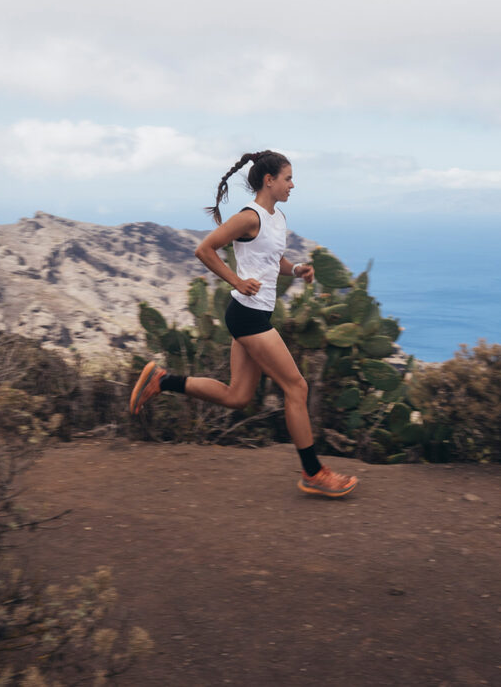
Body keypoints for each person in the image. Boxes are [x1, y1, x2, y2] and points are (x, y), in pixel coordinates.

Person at [129, 150, 358, 498]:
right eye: (288, 178)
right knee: (297, 388)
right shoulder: (248, 217)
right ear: (269, 180)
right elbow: (205, 249)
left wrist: (295, 269)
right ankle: (313, 472)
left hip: (253, 314)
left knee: (237, 396)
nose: (292, 184)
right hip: (249, 316)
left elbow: (270, 256)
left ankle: (163, 380)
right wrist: (236, 282)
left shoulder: (276, 217)